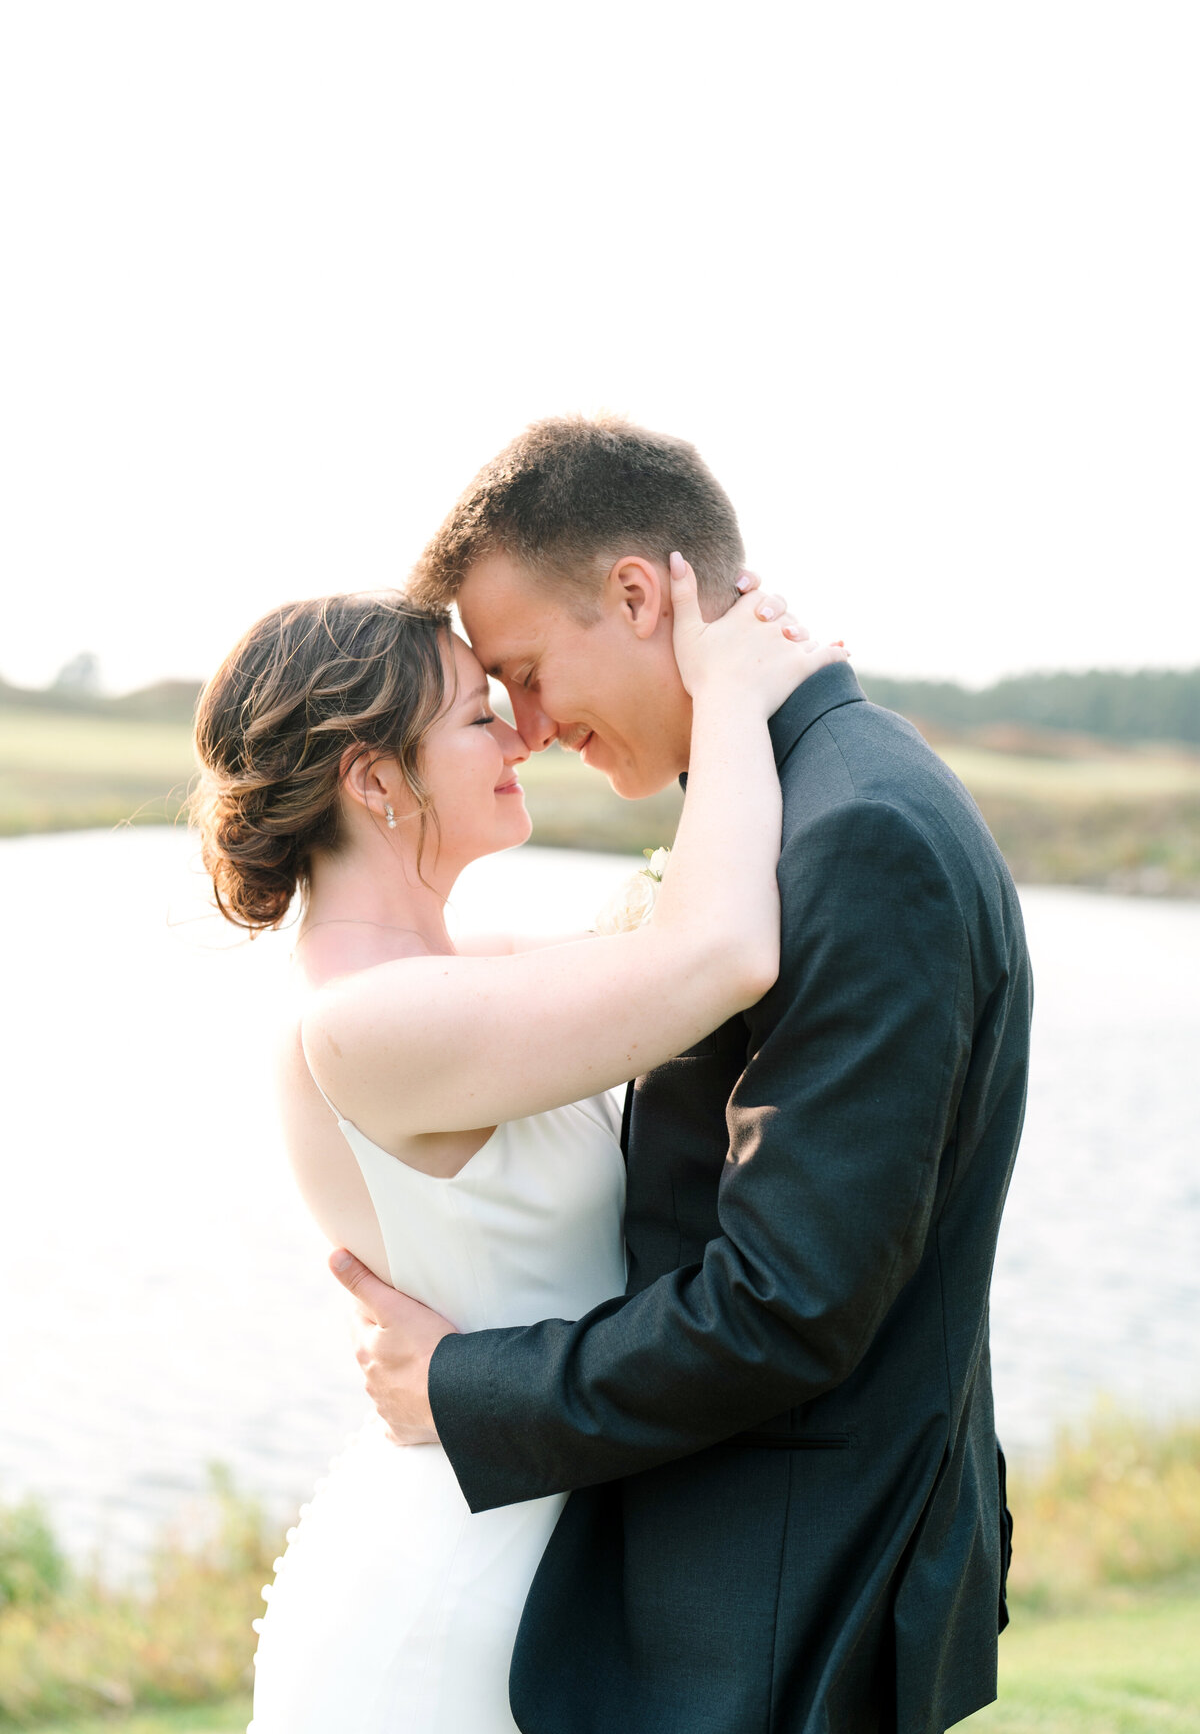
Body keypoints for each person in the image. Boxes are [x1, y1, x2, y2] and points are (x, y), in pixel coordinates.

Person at [329, 415, 1033, 1734]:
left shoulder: (855, 832)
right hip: (744, 1573)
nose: (526, 728)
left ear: (641, 596)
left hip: (781, 1594)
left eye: (526, 672)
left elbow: (786, 1302)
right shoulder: (808, 797)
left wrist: (461, 1386)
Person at [190, 562, 839, 1733]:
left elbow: (695, 937)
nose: (520, 735)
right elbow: (721, 956)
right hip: (457, 1599)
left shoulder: (461, 975)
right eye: (480, 716)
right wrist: (730, 698)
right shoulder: (362, 1024)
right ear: (374, 777)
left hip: (550, 1551)